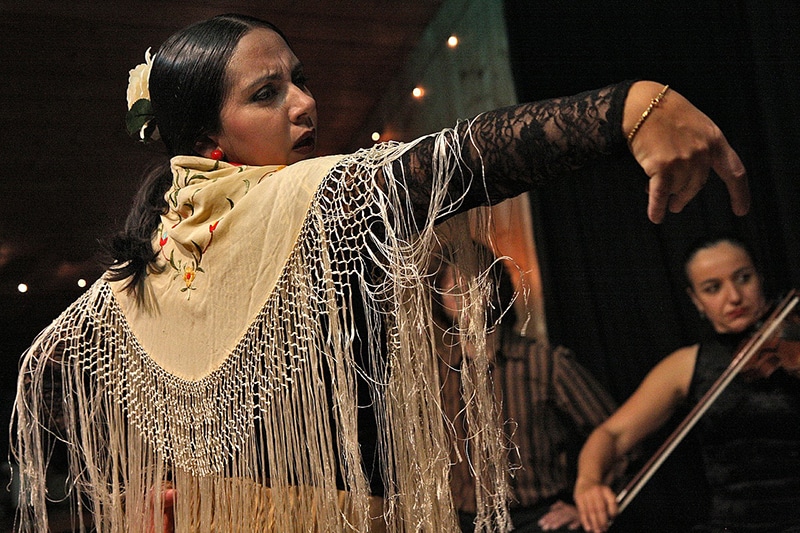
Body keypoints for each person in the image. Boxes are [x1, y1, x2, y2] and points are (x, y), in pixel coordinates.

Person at [11, 12, 749, 533]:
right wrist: (624, 111)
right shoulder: (305, 199)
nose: (306, 104)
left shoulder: (142, 271)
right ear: (207, 132)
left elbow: (44, 365)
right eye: (267, 93)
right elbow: (458, 160)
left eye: (299, 80)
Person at [573, 235, 800, 533]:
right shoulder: (686, 365)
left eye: (744, 278)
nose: (733, 297)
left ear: (760, 277)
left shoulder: (793, 342)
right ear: (696, 300)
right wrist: (588, 482)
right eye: (712, 288)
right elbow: (612, 434)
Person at [432, 247, 625, 532]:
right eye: (450, 285)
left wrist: (584, 504)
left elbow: (617, 435)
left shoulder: (544, 362)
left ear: (493, 287)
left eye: (471, 280)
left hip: (538, 518)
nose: (461, 291)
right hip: (462, 522)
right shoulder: (437, 374)